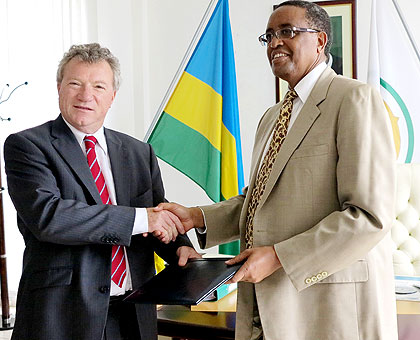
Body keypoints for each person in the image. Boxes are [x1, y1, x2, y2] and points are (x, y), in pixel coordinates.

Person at [157, 1, 398, 339]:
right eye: (268, 36)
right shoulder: (271, 118)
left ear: (320, 40)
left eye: (287, 32)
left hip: (328, 305)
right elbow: (257, 203)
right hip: (263, 305)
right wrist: (195, 216)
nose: (274, 43)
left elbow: (368, 216)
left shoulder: (355, 99)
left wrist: (279, 257)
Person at [4, 43, 200, 340]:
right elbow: (49, 218)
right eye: (75, 84)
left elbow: (157, 212)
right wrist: (144, 219)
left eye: (98, 86)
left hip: (134, 312)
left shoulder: (138, 152)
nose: (86, 95)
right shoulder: (28, 146)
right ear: (59, 88)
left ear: (112, 97)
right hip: (63, 315)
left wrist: (178, 247)